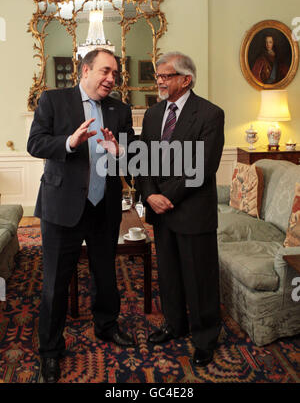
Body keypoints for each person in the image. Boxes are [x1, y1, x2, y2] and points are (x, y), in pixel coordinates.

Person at [27, 48, 135, 383]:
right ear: (85, 70)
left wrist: (122, 152)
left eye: (115, 74)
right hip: (62, 207)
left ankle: (106, 326)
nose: (111, 79)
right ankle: (50, 351)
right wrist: (70, 143)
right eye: (105, 71)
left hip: (104, 207)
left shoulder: (120, 109)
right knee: (55, 283)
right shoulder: (53, 100)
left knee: (106, 276)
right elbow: (35, 144)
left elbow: (131, 158)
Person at [137, 52, 224, 367]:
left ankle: (205, 337)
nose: (159, 81)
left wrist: (166, 197)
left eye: (166, 76)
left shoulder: (210, 114)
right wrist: (149, 195)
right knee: (169, 275)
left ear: (186, 79)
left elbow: (203, 166)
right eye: (158, 76)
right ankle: (175, 324)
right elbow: (142, 158)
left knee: (199, 278)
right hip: (161, 213)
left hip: (193, 211)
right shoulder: (152, 114)